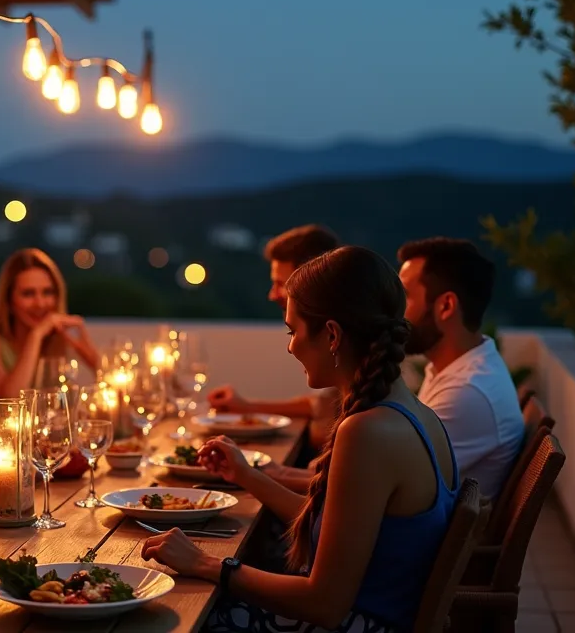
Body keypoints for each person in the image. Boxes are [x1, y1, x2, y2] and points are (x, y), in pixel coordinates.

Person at [142, 247, 459, 632]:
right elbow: (339, 532)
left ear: (331, 335)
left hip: (352, 624)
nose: (290, 346)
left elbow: (323, 602)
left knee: (167, 614)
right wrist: (247, 476)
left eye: (292, 331)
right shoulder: (415, 413)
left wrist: (205, 564)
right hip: (376, 615)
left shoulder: (368, 432)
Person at [205, 224, 340, 491]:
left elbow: (330, 501)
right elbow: (320, 405)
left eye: (280, 283)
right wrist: (246, 407)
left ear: (309, 280)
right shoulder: (349, 376)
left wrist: (251, 475)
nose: (272, 294)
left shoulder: (363, 425)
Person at [398, 237, 523, 499]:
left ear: (446, 306)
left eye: (405, 296)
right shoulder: (457, 368)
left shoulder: (467, 392)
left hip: (423, 535)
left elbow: (384, 483)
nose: (394, 311)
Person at [0, 248, 101, 398]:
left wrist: (88, 352)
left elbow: (111, 381)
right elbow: (11, 398)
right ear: (9, 301)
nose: (40, 304)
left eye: (47, 292)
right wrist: (36, 335)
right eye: (28, 294)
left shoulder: (61, 339)